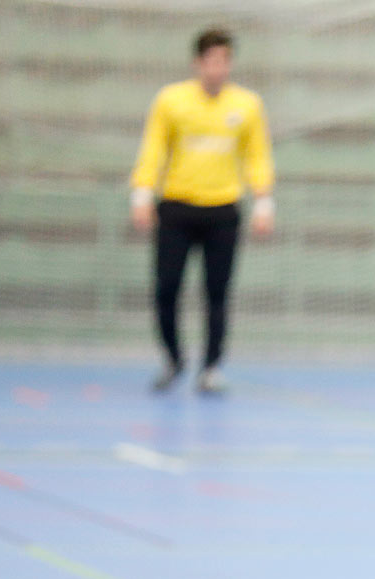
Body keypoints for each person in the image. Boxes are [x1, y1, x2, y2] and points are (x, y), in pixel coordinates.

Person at [130, 26, 274, 395]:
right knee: (166, 289)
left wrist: (263, 202)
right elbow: (153, 149)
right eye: (210, 61)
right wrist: (142, 196)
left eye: (223, 62)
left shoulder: (246, 105)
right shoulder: (171, 101)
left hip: (222, 210)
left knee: (217, 293)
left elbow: (256, 156)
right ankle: (174, 358)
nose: (217, 69)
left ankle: (210, 367)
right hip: (177, 208)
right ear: (197, 63)